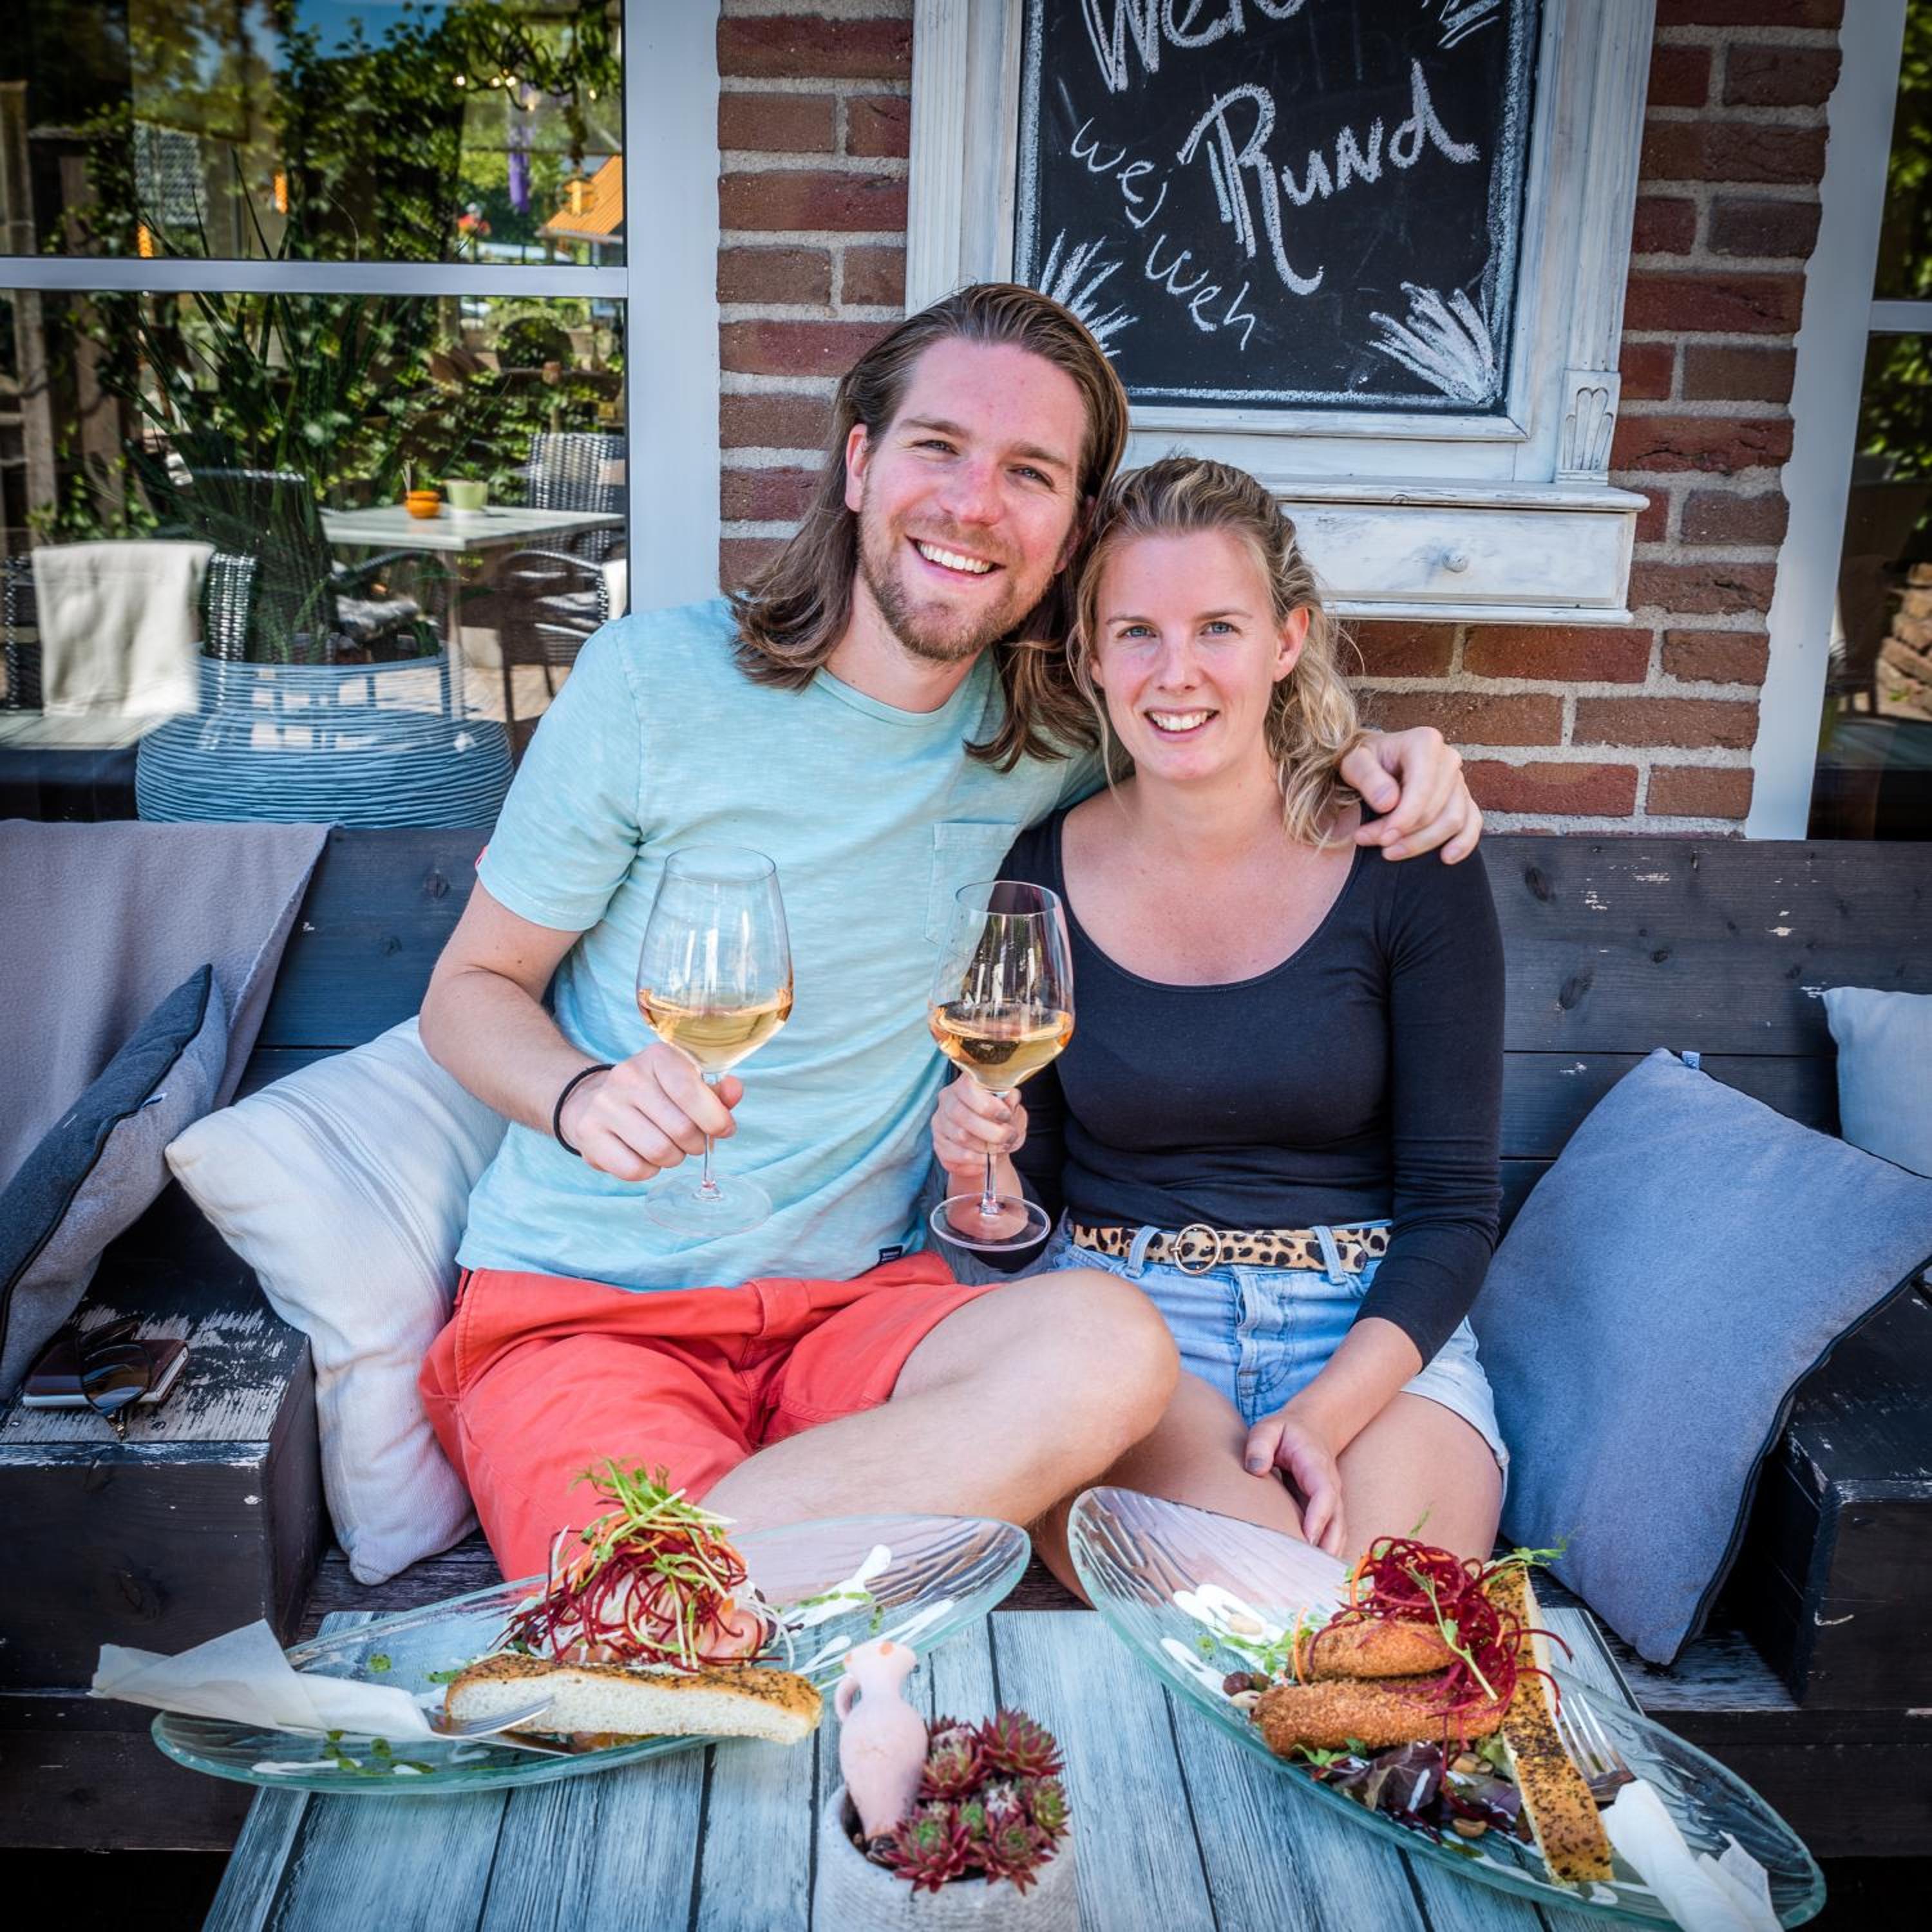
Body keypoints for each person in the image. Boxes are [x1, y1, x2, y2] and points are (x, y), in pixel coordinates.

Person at [416, 284, 1484, 1583]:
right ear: (860, 463)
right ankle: (676, 1591)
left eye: (1030, 473)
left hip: (868, 1311)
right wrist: (580, 1095)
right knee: (684, 1636)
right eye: (939, 448)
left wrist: (1375, 758)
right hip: (592, 1306)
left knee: (1108, 1348)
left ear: (1071, 529)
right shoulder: (651, 687)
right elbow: (470, 988)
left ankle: (679, 1581)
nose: (975, 506)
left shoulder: (1053, 735)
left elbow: (1215, 727)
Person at [931, 455, 1507, 1576]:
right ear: (1092, 657)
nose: (1176, 673)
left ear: (1288, 640)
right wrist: (977, 1172)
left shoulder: (1405, 858)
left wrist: (1324, 1418)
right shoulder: (1037, 874)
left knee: (1395, 1622)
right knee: (1257, 1612)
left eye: (1218, 629)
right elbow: (1021, 1216)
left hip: (1376, 1324)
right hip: (1130, 1326)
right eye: (1137, 632)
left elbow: (1453, 1209)